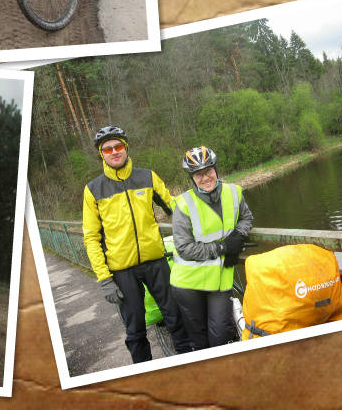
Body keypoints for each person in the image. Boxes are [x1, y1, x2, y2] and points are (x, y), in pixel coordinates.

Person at [81, 126, 194, 362]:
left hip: (155, 262)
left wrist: (203, 208)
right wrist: (104, 279)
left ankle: (188, 361)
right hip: (122, 270)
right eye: (107, 149)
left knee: (174, 316)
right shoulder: (93, 189)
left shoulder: (147, 176)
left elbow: (174, 207)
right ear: (101, 154)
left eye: (118, 146)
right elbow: (91, 237)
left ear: (126, 148)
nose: (114, 152)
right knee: (135, 328)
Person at [169, 146, 253, 350]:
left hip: (219, 280)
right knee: (199, 338)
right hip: (189, 284)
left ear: (216, 169)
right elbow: (184, 248)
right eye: (198, 174)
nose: (205, 177)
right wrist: (224, 247)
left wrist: (237, 237)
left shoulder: (233, 192)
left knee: (221, 336)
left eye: (208, 171)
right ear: (192, 177)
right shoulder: (184, 204)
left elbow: (246, 218)